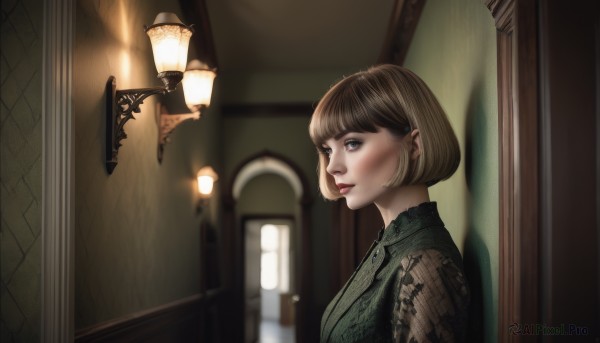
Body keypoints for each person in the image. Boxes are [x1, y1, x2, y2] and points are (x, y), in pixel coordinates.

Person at [309, 64, 470, 342]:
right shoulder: (391, 246)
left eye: (351, 143)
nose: (332, 166)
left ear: (414, 145)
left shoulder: (424, 264)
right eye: (327, 150)